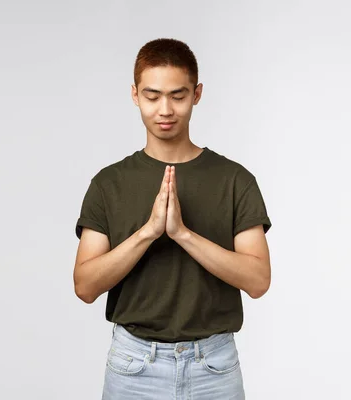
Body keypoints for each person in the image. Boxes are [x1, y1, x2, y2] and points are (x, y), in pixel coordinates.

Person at [73, 38, 272, 400]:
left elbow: (258, 280)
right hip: (134, 365)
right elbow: (85, 286)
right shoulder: (109, 183)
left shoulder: (234, 180)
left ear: (196, 94)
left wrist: (183, 234)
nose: (165, 109)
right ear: (134, 94)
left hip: (214, 366)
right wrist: (147, 233)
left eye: (177, 96)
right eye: (152, 96)